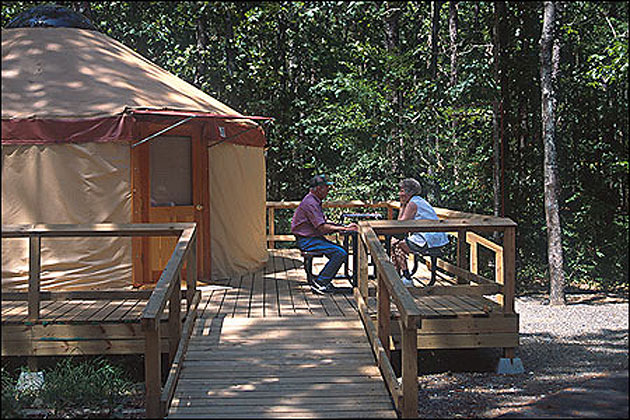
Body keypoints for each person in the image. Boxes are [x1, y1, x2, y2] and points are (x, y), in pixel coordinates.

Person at [291, 175, 358, 294]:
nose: (328, 190)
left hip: (311, 238)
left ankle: (323, 279)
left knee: (338, 251)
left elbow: (323, 222)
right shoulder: (311, 203)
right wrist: (342, 228)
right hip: (307, 240)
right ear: (318, 188)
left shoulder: (313, 201)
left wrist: (340, 227)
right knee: (340, 253)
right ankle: (321, 282)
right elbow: (321, 227)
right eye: (326, 187)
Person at [391, 178, 449, 286]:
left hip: (428, 238)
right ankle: (400, 276)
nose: (399, 193)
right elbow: (401, 224)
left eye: (402, 191)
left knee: (396, 245)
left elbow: (401, 224)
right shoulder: (418, 200)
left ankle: (406, 277)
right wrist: (402, 205)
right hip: (434, 237)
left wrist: (402, 206)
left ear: (409, 192)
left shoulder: (412, 204)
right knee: (395, 243)